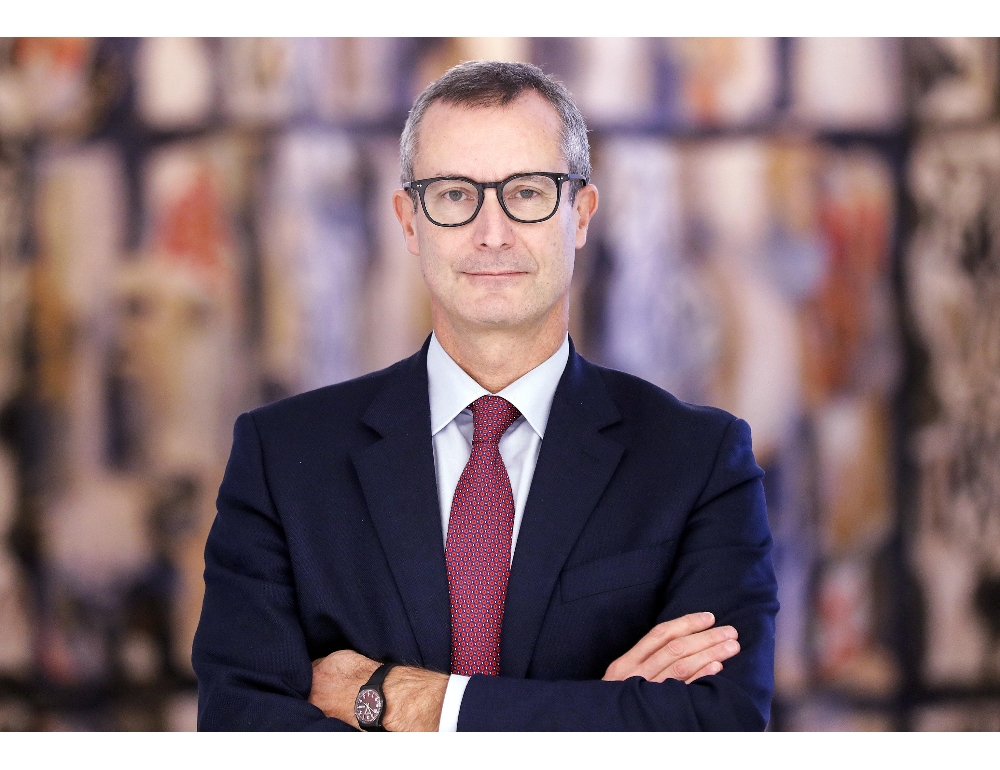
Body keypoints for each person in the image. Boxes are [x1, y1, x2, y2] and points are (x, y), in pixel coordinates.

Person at [192, 60, 778, 731]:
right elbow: (242, 730)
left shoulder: (698, 461)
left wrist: (406, 700)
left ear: (581, 214)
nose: (491, 232)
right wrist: (599, 712)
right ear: (408, 221)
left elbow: (717, 725)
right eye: (453, 195)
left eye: (527, 192)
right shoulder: (282, 457)